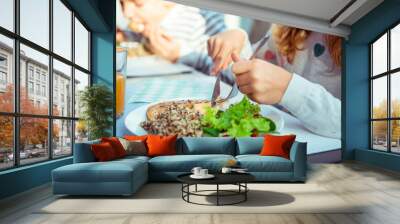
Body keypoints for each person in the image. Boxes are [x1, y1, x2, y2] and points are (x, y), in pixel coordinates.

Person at [207, 25, 341, 139]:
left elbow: (354, 125)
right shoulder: (287, 26)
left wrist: (288, 88)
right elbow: (258, 68)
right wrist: (238, 43)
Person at [117, 0, 251, 80]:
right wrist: (124, 36)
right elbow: (140, 41)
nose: (126, 13)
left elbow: (224, 72)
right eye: (122, 3)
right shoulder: (147, 24)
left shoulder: (201, 19)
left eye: (137, 3)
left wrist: (179, 55)